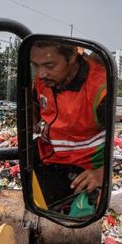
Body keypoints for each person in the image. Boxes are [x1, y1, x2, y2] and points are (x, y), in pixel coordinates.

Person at [31, 40, 107, 207]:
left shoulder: (100, 89)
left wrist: (102, 173)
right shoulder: (43, 80)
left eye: (49, 65)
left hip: (84, 169)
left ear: (72, 56)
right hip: (47, 157)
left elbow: (117, 142)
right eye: (35, 66)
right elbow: (34, 107)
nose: (41, 73)